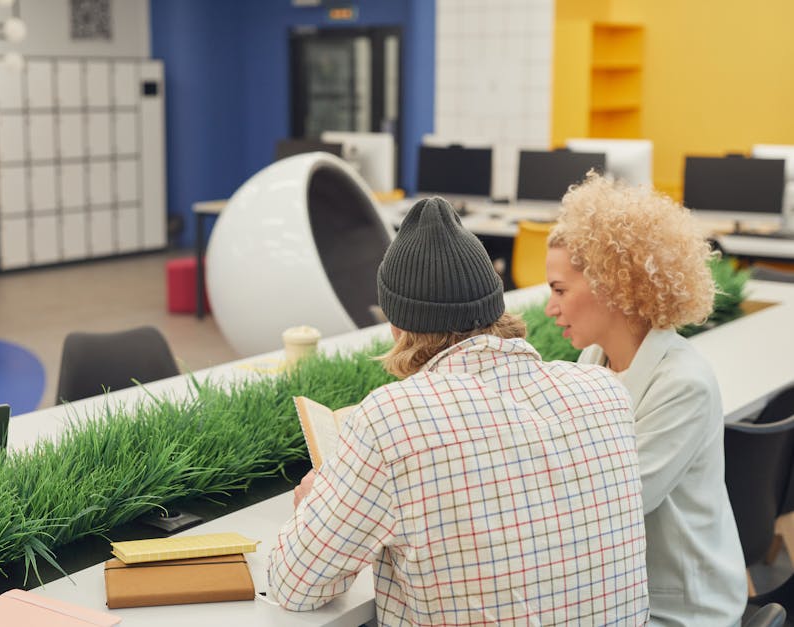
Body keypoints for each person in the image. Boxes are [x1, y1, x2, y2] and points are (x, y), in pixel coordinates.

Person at [268, 196, 649, 625]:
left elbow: (296, 586)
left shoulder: (393, 419)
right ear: (495, 305)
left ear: (396, 325)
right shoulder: (605, 390)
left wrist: (313, 505)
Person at [544, 172, 747, 626]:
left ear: (614, 286)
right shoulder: (592, 359)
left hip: (680, 610)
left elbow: (616, 502)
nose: (550, 308)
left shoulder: (682, 383)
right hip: (621, 589)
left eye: (559, 290)